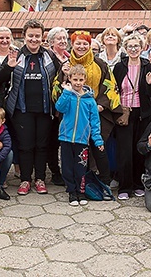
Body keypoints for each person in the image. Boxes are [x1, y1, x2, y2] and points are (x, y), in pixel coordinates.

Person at [0, 19, 59, 195]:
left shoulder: (49, 56)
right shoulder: (15, 55)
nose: (34, 39)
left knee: (41, 145)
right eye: (30, 35)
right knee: (25, 146)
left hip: (45, 109)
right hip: (21, 109)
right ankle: (25, 180)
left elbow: (60, 77)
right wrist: (8, 68)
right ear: (24, 36)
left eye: (37, 36)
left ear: (42, 37)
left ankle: (40, 179)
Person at [52, 30, 121, 188]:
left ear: (90, 45)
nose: (81, 46)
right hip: (72, 115)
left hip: (96, 111)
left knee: (97, 146)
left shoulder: (100, 64)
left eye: (85, 43)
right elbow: (57, 88)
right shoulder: (66, 65)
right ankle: (77, 183)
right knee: (76, 150)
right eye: (78, 43)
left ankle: (103, 180)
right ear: (72, 45)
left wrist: (101, 105)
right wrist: (63, 75)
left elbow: (111, 85)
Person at [113, 34, 151, 200]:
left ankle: (138, 185)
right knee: (124, 151)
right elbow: (114, 89)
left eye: (136, 46)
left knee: (139, 150)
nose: (133, 49)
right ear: (125, 48)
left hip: (142, 113)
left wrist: (150, 84)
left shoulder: (147, 66)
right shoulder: (119, 67)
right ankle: (125, 187)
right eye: (130, 46)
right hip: (125, 112)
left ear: (142, 48)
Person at [55, 64, 105, 206]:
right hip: (66, 137)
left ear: (85, 80)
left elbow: (95, 122)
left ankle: (80, 191)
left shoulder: (89, 100)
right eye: (75, 79)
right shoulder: (67, 95)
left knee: (80, 167)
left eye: (80, 80)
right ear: (69, 79)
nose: (77, 83)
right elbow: (59, 108)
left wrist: (97, 139)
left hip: (82, 139)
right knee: (67, 166)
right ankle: (71, 191)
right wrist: (66, 92)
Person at [46, 26, 71, 186]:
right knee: (53, 141)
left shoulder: (69, 57)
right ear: (51, 42)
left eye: (64, 38)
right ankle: (55, 172)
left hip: (67, 105)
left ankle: (66, 170)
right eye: (59, 38)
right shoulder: (48, 57)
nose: (63, 41)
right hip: (53, 105)